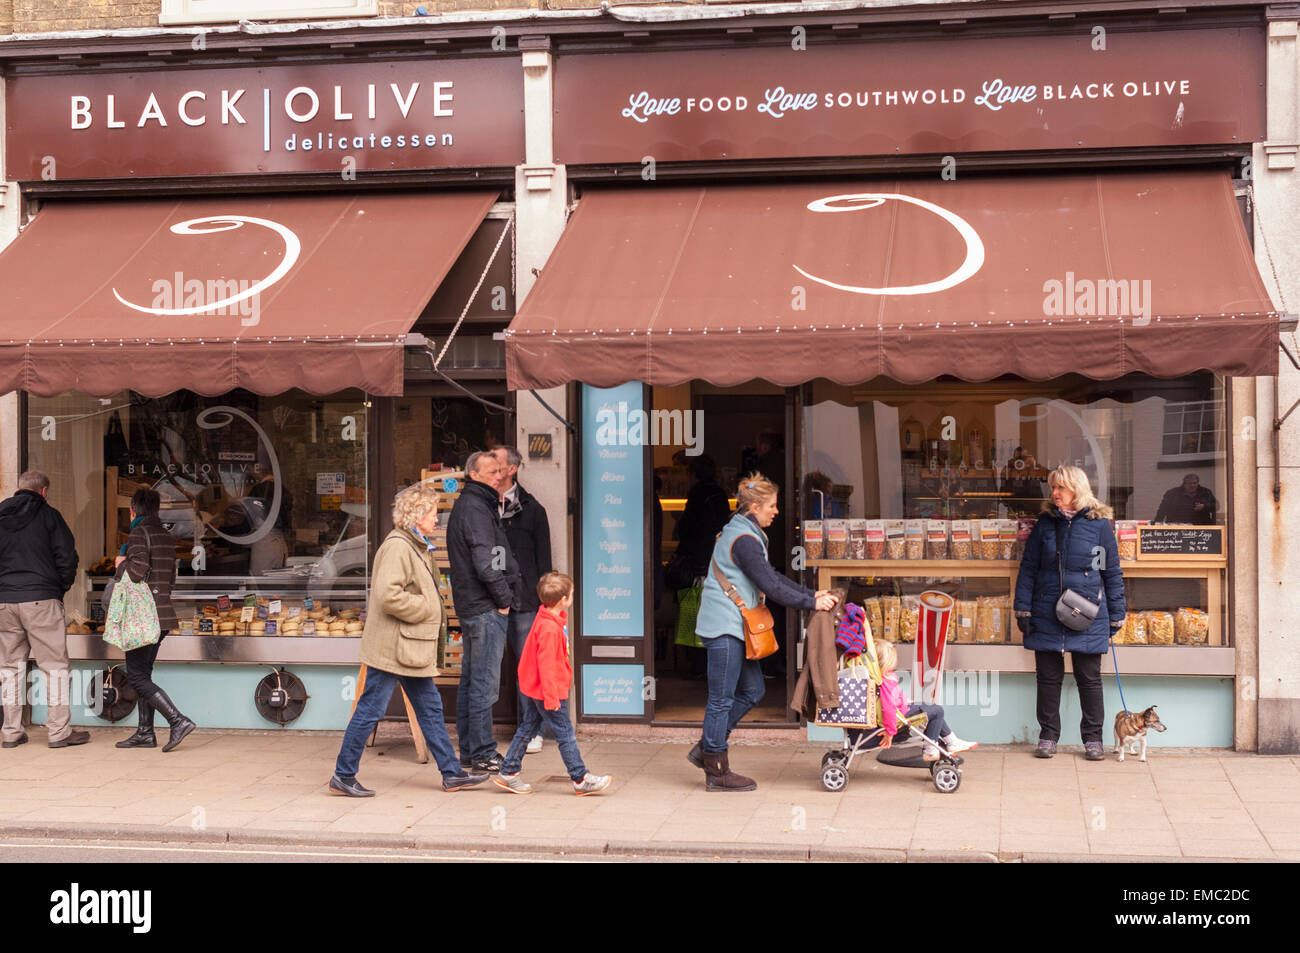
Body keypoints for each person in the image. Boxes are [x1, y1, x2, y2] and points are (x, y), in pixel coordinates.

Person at [329, 483, 490, 796]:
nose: (437, 521)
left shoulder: (413, 545)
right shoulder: (399, 547)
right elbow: (389, 596)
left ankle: (452, 773)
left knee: (430, 710)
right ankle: (343, 775)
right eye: (432, 514)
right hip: (393, 646)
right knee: (370, 710)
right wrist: (428, 608)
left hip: (407, 647)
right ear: (417, 516)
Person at [689, 472, 838, 791]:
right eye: (772, 505)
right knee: (720, 700)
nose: (776, 511)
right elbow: (770, 585)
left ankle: (706, 747)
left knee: (753, 690)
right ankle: (716, 769)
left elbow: (770, 576)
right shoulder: (743, 540)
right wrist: (811, 602)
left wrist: (811, 596)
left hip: (735, 625)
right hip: (724, 626)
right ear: (754, 506)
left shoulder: (744, 531)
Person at [1014, 465, 1126, 762]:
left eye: (1060, 488)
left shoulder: (1100, 525)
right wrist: (1023, 607)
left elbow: (1111, 571)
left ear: (1077, 489)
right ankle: (1048, 736)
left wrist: (1116, 613)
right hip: (1046, 610)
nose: (1055, 494)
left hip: (1087, 611)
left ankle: (1093, 739)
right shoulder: (1046, 524)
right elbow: (1029, 569)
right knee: (1047, 678)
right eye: (1053, 488)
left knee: (1089, 678)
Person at [494, 572, 612, 796]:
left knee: (527, 727)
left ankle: (508, 772)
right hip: (547, 691)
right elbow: (547, 666)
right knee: (565, 734)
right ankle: (580, 778)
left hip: (536, 688)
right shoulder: (549, 628)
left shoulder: (546, 618)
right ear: (563, 600)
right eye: (572, 594)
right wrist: (552, 697)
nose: (573, 597)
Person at [446, 450, 521, 773]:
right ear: (473, 474)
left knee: (472, 680)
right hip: (485, 608)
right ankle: (482, 752)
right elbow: (486, 563)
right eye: (491, 471)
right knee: (484, 684)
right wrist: (504, 600)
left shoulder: (475, 504)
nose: (498, 475)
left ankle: (470, 750)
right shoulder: (475, 507)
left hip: (476, 607)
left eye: (500, 470)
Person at [0, 470, 86, 749]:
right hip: (41, 599)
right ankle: (59, 731)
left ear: (19, 489)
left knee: (9, 667)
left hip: (4, 601)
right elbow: (67, 557)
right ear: (44, 491)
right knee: (54, 666)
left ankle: (11, 731)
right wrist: (57, 590)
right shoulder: (49, 516)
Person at [114, 488, 195, 752]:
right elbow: (170, 579)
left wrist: (121, 563)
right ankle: (145, 732)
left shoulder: (139, 533)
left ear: (133, 510)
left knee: (136, 677)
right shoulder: (165, 536)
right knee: (144, 673)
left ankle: (177, 720)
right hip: (162, 615)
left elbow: (137, 572)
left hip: (143, 617)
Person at [492, 445, 553, 755]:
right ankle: (480, 733)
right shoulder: (482, 505)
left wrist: (546, 604)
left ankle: (532, 729)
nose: (491, 466)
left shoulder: (533, 510)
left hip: (526, 601)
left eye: (496, 461)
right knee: (486, 665)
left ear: (511, 469)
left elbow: (545, 563)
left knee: (528, 668)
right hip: (489, 599)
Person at [875, 640, 977, 759]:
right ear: (887, 661)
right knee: (937, 711)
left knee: (933, 709)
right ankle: (932, 749)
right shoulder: (886, 682)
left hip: (902, 710)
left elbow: (893, 699)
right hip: (900, 717)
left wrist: (906, 701)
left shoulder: (884, 678)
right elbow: (888, 708)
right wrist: (890, 732)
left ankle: (952, 741)